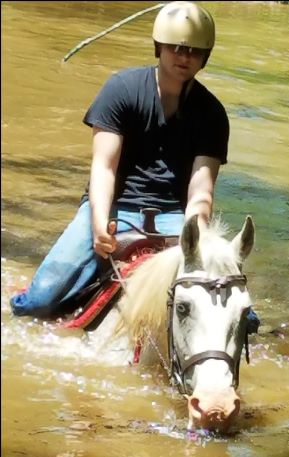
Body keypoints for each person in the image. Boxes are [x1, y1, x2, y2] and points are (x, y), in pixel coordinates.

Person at [10, 1, 260, 333]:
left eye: (195, 51)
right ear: (160, 47)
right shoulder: (121, 90)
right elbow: (104, 167)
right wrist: (100, 224)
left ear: (205, 57)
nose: (184, 56)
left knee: (240, 312)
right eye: (177, 47)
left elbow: (202, 189)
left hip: (175, 216)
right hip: (115, 206)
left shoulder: (212, 114)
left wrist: (195, 236)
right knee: (41, 300)